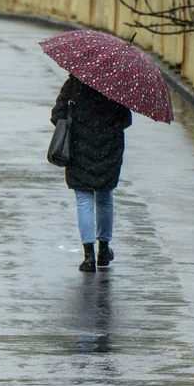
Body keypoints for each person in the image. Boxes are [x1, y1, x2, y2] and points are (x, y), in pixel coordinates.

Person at [51, 75, 132, 271]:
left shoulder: (74, 83)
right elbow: (125, 120)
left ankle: (88, 256)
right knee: (105, 197)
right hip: (109, 147)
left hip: (79, 147)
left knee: (83, 199)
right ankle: (104, 249)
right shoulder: (116, 85)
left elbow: (57, 115)